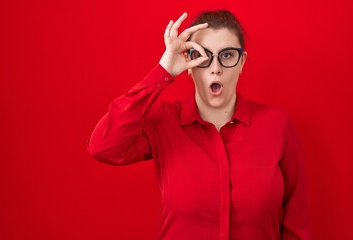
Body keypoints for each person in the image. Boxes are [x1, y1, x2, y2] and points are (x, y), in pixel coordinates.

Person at [87, 10, 311, 240]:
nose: (216, 68)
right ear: (190, 64)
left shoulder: (277, 125)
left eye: (227, 55)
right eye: (204, 57)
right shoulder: (163, 121)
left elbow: (296, 222)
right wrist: (163, 70)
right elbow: (103, 147)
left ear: (241, 62)